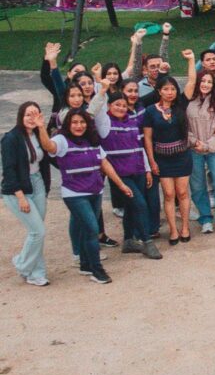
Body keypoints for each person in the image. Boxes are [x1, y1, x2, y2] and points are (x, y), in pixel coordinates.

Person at [37, 110, 134, 284]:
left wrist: (121, 185)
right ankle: (97, 270)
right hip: (74, 194)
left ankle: (85, 264)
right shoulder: (62, 140)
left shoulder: (93, 140)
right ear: (68, 124)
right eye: (74, 122)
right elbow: (48, 147)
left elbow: (105, 164)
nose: (79, 126)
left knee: (85, 228)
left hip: (95, 192)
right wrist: (40, 127)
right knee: (91, 229)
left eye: (82, 122)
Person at [89, 77, 161, 260]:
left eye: (123, 105)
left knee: (131, 207)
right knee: (140, 205)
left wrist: (146, 169)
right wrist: (102, 89)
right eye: (117, 105)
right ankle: (147, 242)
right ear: (109, 107)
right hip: (121, 175)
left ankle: (129, 240)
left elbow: (140, 148)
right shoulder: (105, 124)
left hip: (137, 170)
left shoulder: (131, 122)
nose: (121, 108)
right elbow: (95, 111)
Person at [3, 102, 51, 285]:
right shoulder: (11, 139)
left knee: (37, 231)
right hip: (17, 189)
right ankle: (22, 264)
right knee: (37, 231)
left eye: (35, 114)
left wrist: (42, 128)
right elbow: (8, 170)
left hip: (37, 182)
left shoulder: (38, 134)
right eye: (28, 115)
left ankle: (36, 273)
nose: (32, 119)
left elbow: (49, 151)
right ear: (20, 117)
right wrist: (20, 196)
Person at [145, 71, 195, 243]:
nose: (170, 92)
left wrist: (190, 61)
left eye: (173, 89)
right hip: (162, 159)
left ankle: (185, 227)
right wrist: (152, 161)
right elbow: (148, 138)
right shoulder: (150, 111)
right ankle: (173, 230)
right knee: (168, 194)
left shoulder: (180, 105)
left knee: (182, 193)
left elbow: (191, 83)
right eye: (165, 89)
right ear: (159, 91)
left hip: (182, 156)